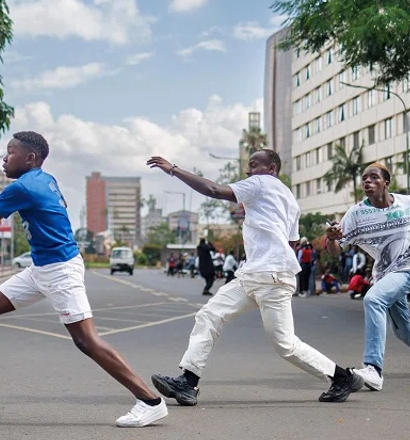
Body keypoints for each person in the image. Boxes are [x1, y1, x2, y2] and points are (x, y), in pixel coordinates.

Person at [0, 131, 168, 427]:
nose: (4, 158)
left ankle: (150, 401)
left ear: (30, 157)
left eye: (10, 152)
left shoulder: (25, 186)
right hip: (43, 267)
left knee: (86, 340)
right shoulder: (46, 179)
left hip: (60, 269)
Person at [146, 149, 363, 405]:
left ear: (272, 169)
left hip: (270, 276)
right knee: (210, 315)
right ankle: (188, 382)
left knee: (285, 344)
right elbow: (291, 242)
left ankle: (342, 377)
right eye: (248, 166)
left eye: (253, 165)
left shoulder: (260, 183)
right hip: (255, 274)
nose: (248, 171)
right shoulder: (290, 199)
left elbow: (214, 190)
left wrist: (173, 169)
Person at [326, 163, 410, 391]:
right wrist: (332, 238)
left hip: (408, 270)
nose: (367, 181)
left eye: (374, 177)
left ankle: (373, 369)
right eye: (364, 178)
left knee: (373, 299)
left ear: (386, 183)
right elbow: (336, 251)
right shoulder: (356, 214)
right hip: (384, 276)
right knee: (402, 330)